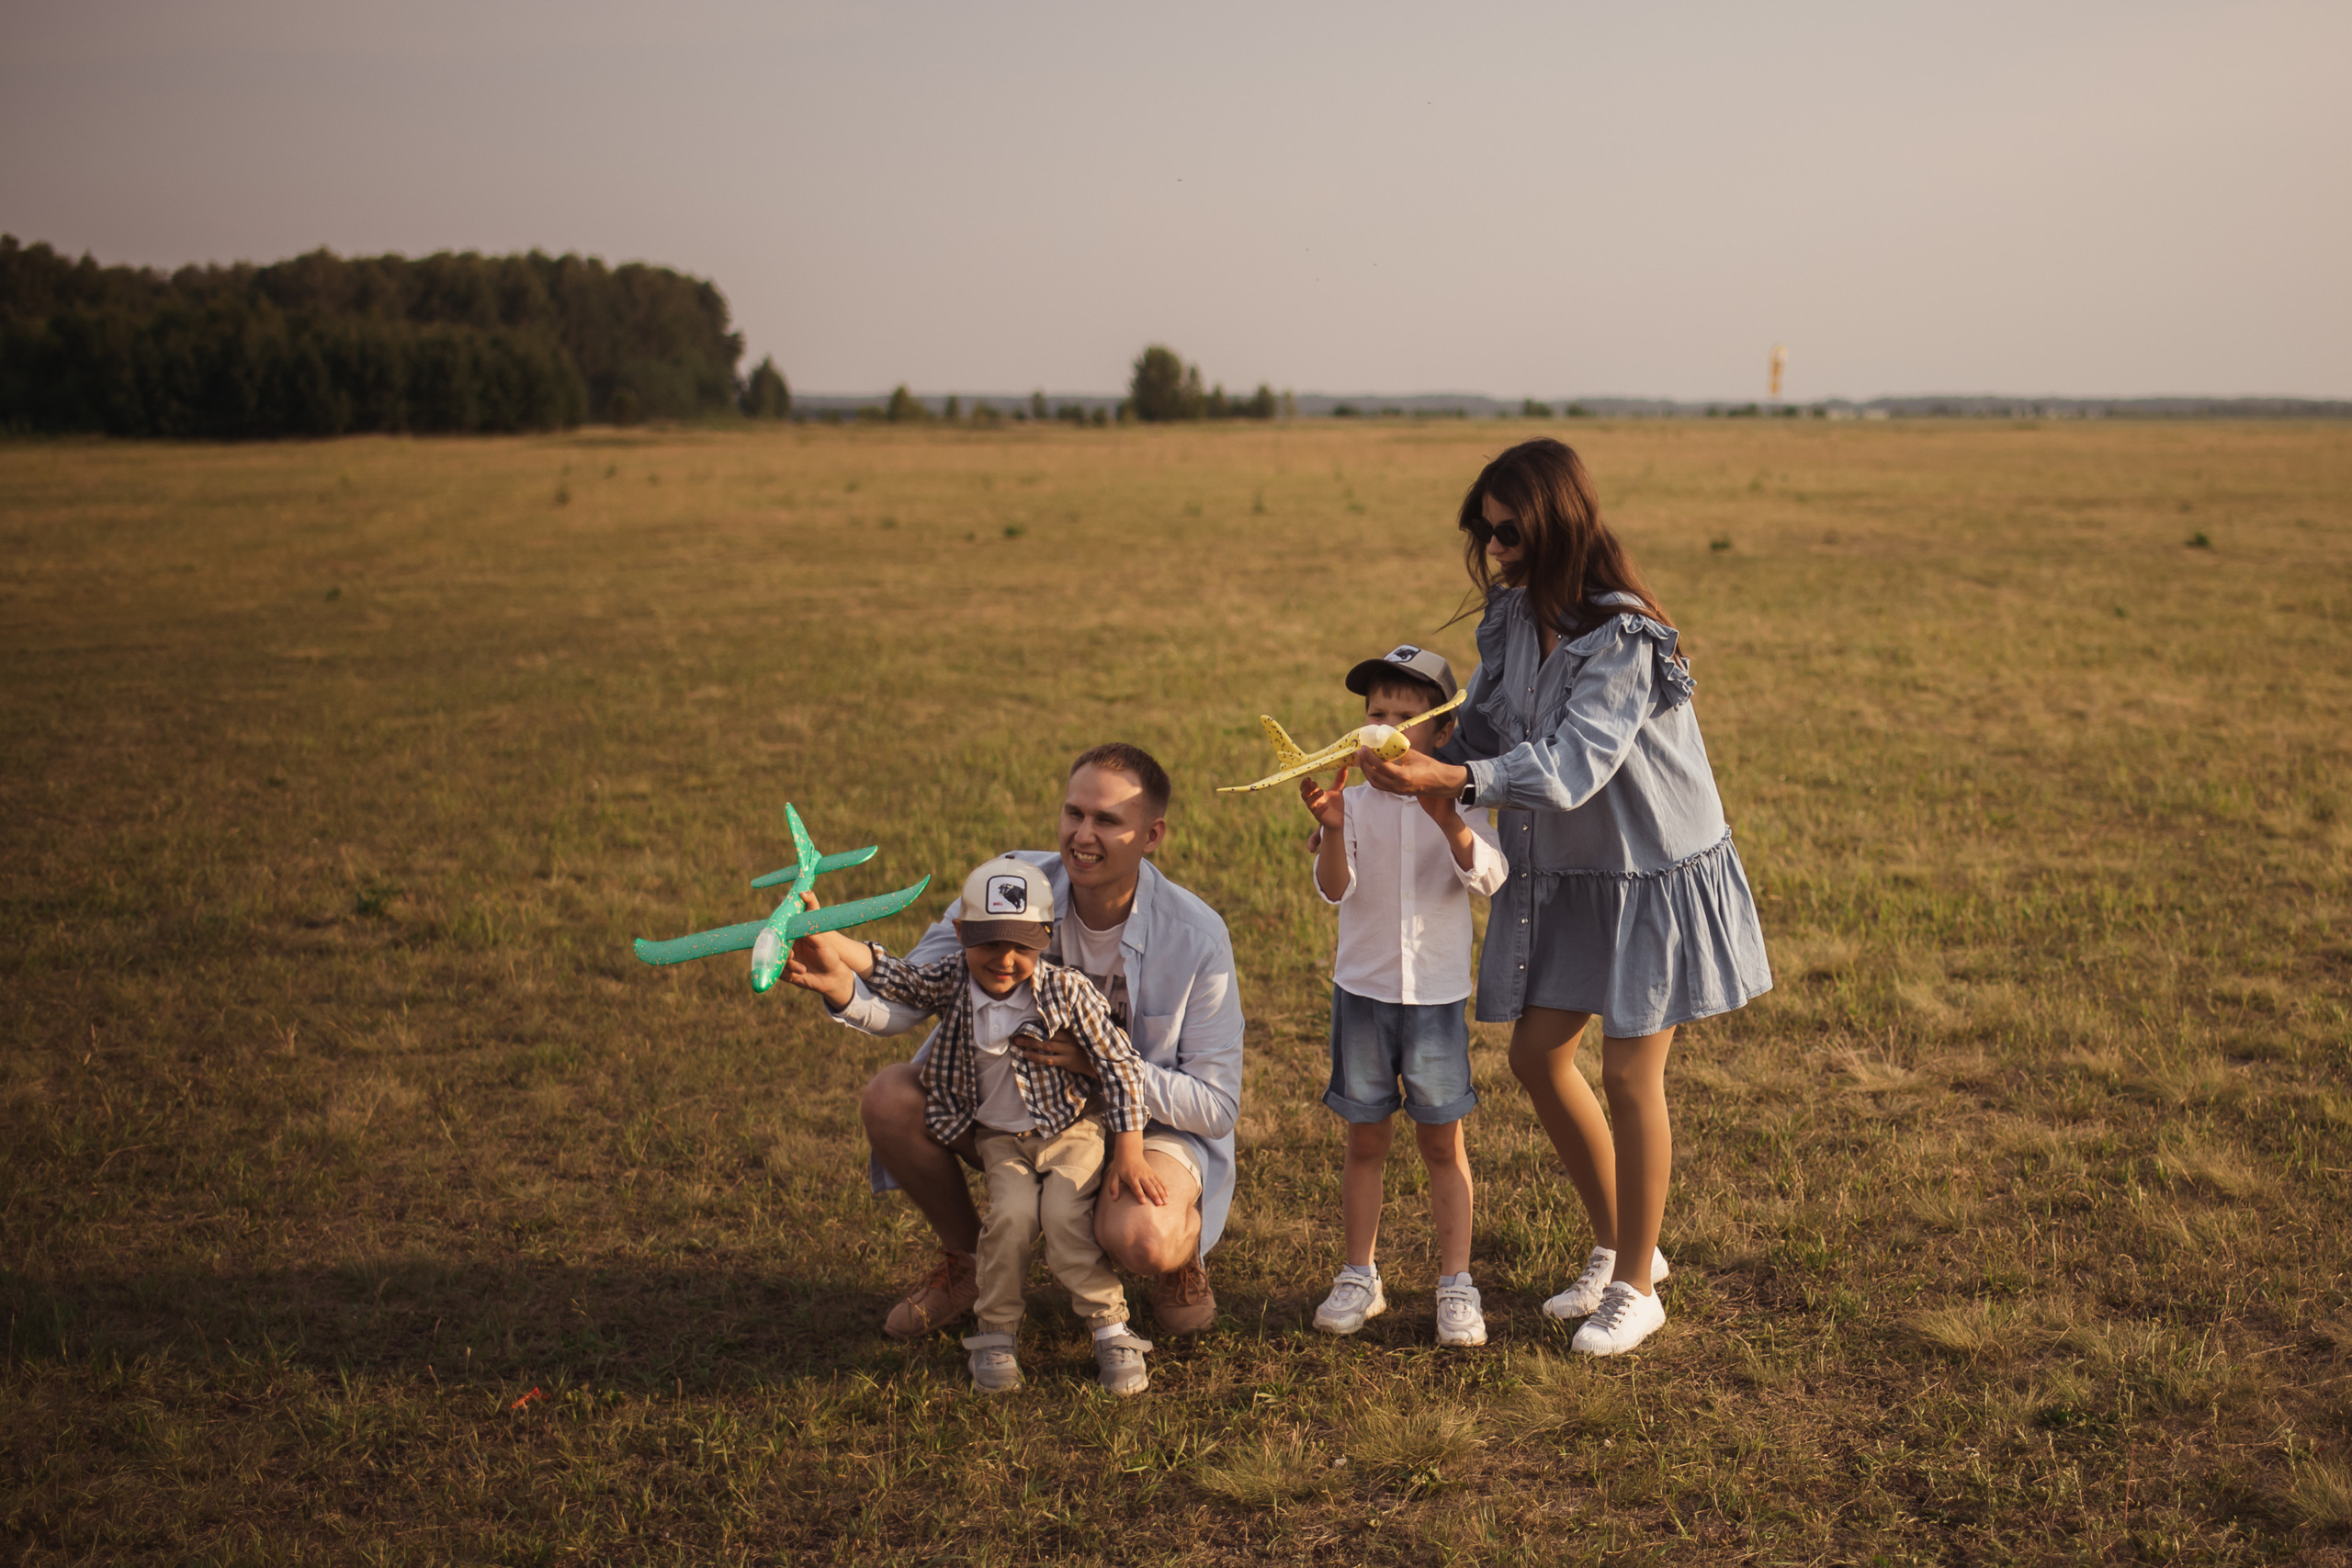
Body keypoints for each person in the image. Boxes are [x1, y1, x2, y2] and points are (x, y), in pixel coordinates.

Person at [1354, 438, 1772, 1357]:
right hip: (1576, 870)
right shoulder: (1509, 617)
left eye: (1508, 531)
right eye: (1483, 531)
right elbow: (1492, 724)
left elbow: (1576, 765)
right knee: (1539, 1058)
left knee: (1630, 1075)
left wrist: (1454, 779)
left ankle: (1634, 1284)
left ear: (1554, 522)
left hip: (1651, 872)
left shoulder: (1619, 631)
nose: (1494, 548)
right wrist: (1410, 743)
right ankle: (1627, 1246)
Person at [784, 744, 1243, 1341]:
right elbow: (919, 991)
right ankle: (969, 1263)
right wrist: (844, 980)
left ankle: (1178, 1261)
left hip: (1145, 1130)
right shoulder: (1010, 885)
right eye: (1074, 812)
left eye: (1107, 820)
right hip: (1024, 1107)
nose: (1082, 834)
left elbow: (1216, 1105)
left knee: (1145, 1238)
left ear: (1152, 834)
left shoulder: (1197, 936)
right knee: (890, 1099)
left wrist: (1102, 1067)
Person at [815, 854, 1164, 1395]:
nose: (1004, 960)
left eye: (1022, 945)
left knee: (1066, 1222)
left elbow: (1120, 1065)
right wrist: (830, 942)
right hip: (1003, 1142)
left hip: (1072, 1131)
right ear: (960, 934)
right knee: (1009, 1223)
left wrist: (1129, 1151)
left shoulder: (1067, 991)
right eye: (987, 942)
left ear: (1045, 937)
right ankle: (995, 1336)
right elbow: (901, 980)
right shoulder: (955, 978)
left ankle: (1112, 1330)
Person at [1295, 645, 1508, 1346]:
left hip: (1437, 1000)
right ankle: (1360, 1273)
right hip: (1362, 994)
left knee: (1443, 1143)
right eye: (1375, 713)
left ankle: (1456, 1282)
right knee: (1366, 1139)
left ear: (1440, 732)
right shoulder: (1349, 802)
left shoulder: (1459, 800)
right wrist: (1331, 830)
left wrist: (1446, 814)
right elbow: (1334, 889)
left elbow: (1489, 878)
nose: (1383, 727)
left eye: (1405, 717)